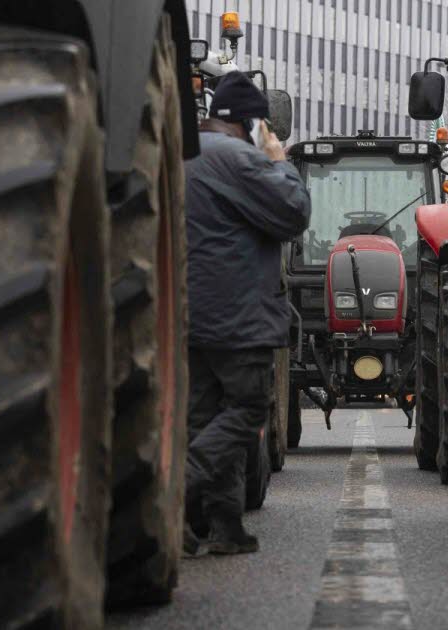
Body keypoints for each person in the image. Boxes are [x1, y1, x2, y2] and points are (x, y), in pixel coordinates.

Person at [183, 71, 311, 555]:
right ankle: (182, 482)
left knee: (205, 416)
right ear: (253, 122)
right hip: (237, 316)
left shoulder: (187, 153)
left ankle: (224, 526)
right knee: (246, 409)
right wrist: (279, 162)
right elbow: (294, 212)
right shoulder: (238, 159)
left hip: (193, 316)